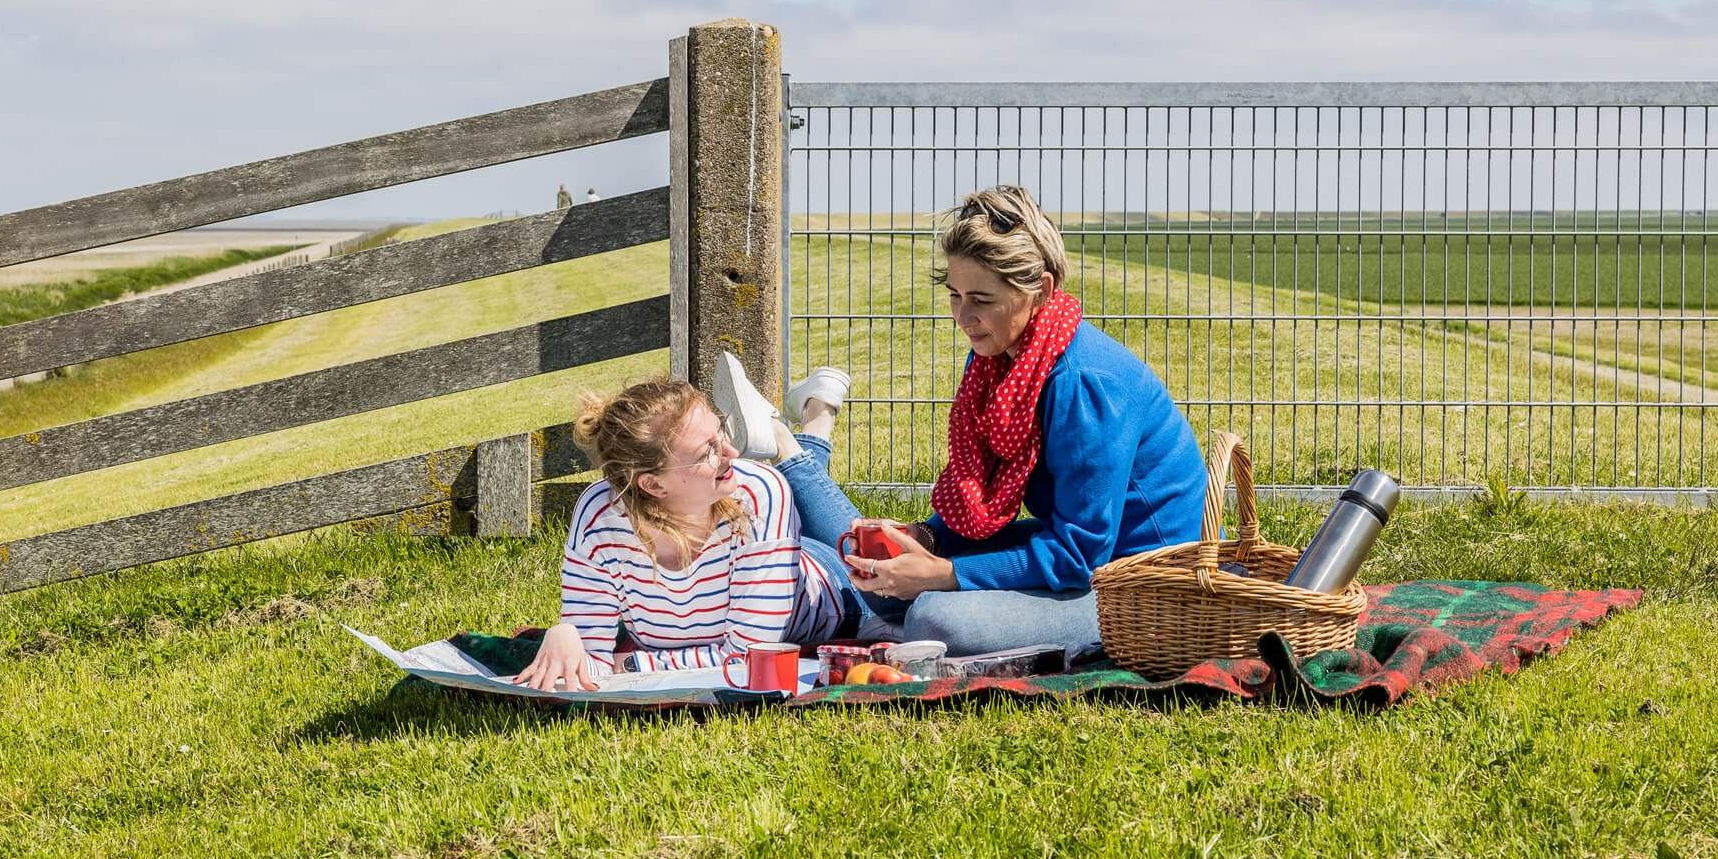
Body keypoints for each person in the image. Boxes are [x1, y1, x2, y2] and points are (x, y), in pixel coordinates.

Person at [711, 184, 1207, 657]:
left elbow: (1082, 557)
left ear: (1041, 289)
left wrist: (944, 574)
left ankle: (789, 445)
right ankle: (790, 449)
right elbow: (996, 504)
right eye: (954, 294)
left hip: (1145, 592)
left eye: (982, 300)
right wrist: (926, 539)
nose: (962, 316)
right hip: (1079, 561)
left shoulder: (1086, 384)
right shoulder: (1000, 357)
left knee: (933, 619)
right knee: (889, 579)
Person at [514, 379, 893, 692]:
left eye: (721, 431)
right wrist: (567, 636)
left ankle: (799, 424)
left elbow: (749, 658)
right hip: (763, 550)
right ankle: (814, 412)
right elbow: (591, 672)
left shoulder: (760, 490)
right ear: (652, 485)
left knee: (867, 550)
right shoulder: (598, 517)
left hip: (835, 593)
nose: (732, 450)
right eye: (706, 451)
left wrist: (629, 661)